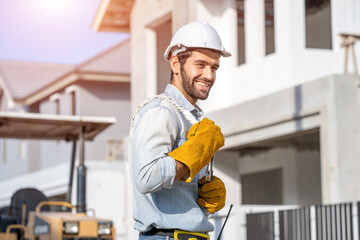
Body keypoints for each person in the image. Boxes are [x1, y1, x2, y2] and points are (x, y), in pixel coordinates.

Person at [129, 21, 231, 240]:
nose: (209, 75)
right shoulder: (160, 111)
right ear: (176, 64)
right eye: (201, 64)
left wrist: (202, 190)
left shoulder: (192, 118)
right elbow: (146, 177)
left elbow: (178, 180)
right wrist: (193, 154)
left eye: (214, 67)